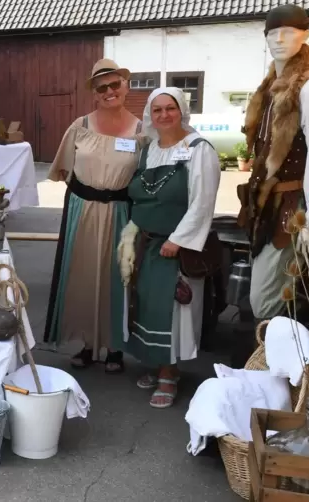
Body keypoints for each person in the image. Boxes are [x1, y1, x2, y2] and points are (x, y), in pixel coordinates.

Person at [115, 88, 221, 408]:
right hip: (144, 242)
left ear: (182, 111)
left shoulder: (199, 149)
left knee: (171, 310)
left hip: (174, 246)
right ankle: (155, 361)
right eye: (157, 109)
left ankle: (169, 374)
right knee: (145, 305)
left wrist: (178, 240)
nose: (163, 115)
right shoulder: (148, 151)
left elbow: (203, 201)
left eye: (170, 108)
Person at [45, 59, 145, 373]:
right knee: (84, 277)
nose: (109, 91)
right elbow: (62, 169)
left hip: (120, 211)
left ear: (125, 86)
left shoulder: (141, 131)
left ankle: (114, 346)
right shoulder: (80, 126)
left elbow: (145, 176)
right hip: (83, 210)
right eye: (102, 88)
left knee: (117, 277)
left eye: (115, 84)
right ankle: (88, 343)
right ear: (95, 94)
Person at [238, 4, 309, 324]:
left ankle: (289, 362)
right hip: (265, 204)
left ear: (305, 35)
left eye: (289, 32)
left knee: (264, 303)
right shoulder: (269, 87)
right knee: (277, 297)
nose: (280, 39)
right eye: (273, 33)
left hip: (295, 209)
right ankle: (278, 367)